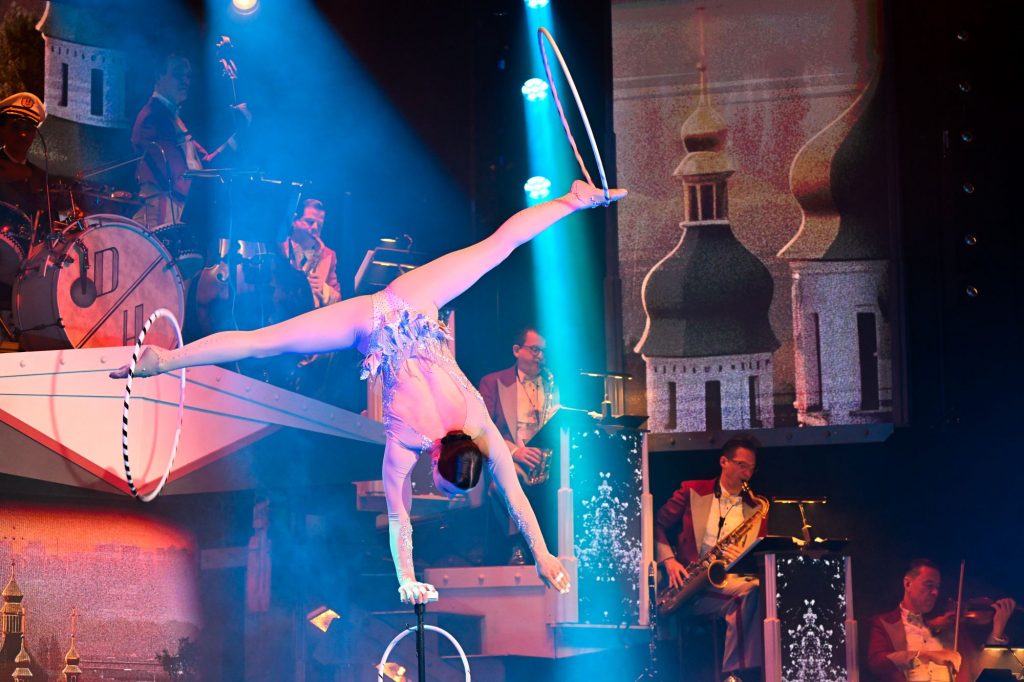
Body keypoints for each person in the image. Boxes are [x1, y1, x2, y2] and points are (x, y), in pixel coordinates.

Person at [114, 180, 625, 604]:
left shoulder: (478, 422)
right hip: (372, 322)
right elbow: (403, 521)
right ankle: (165, 361)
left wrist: (543, 553)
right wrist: (411, 579)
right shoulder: (406, 444)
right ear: (437, 463)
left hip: (411, 298)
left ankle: (573, 200)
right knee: (264, 344)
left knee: (496, 248)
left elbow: (511, 496)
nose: (444, 491)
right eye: (446, 488)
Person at [654, 434, 767, 679]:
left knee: (755, 590)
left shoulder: (757, 508)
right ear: (723, 462)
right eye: (742, 465)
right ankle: (738, 673)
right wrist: (669, 560)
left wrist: (744, 558)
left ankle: (737, 673)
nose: (747, 474)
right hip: (688, 584)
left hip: (726, 583)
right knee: (749, 593)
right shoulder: (692, 490)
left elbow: (760, 555)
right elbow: (657, 524)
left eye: (752, 468)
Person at [131, 54, 248, 227]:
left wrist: (239, 135)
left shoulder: (173, 118)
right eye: (178, 74)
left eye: (188, 76)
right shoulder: (153, 118)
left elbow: (204, 165)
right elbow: (179, 180)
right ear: (158, 76)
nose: (185, 81)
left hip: (180, 217)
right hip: (163, 222)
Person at [478, 326, 559, 563]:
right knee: (501, 484)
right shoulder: (493, 382)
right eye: (535, 350)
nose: (540, 357)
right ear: (516, 350)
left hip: (550, 459)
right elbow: (482, 431)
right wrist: (515, 452)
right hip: (513, 459)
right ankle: (517, 545)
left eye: (543, 352)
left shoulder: (553, 384)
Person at [866, 559, 1017, 682]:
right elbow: (877, 663)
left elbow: (979, 670)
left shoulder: (950, 629)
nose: (935, 592)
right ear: (908, 584)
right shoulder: (884, 622)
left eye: (937, 587)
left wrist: (997, 630)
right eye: (929, 585)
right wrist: (926, 655)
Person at [281, 198, 341, 308]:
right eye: (310, 222)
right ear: (294, 221)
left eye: (319, 225)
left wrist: (324, 289)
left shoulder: (329, 254)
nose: (315, 228)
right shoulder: (279, 248)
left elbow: (338, 298)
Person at [0, 91, 48, 221]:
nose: (23, 134)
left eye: (29, 129)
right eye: (16, 127)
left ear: (35, 134)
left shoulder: (40, 174)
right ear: (2, 129)